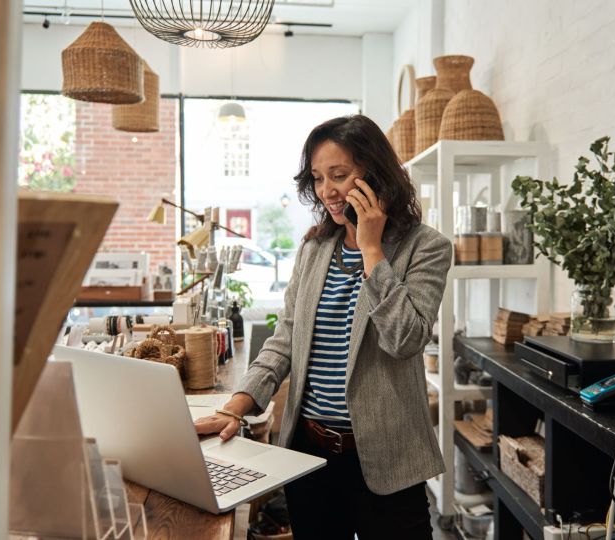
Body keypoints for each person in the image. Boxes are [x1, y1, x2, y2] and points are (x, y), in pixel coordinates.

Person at [194, 114, 453, 539]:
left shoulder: (425, 247)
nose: (327, 190)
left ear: (374, 174)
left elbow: (405, 339)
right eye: (317, 177)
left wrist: (371, 249)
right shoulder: (315, 248)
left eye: (339, 175)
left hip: (389, 460)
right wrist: (236, 406)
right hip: (309, 455)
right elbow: (285, 340)